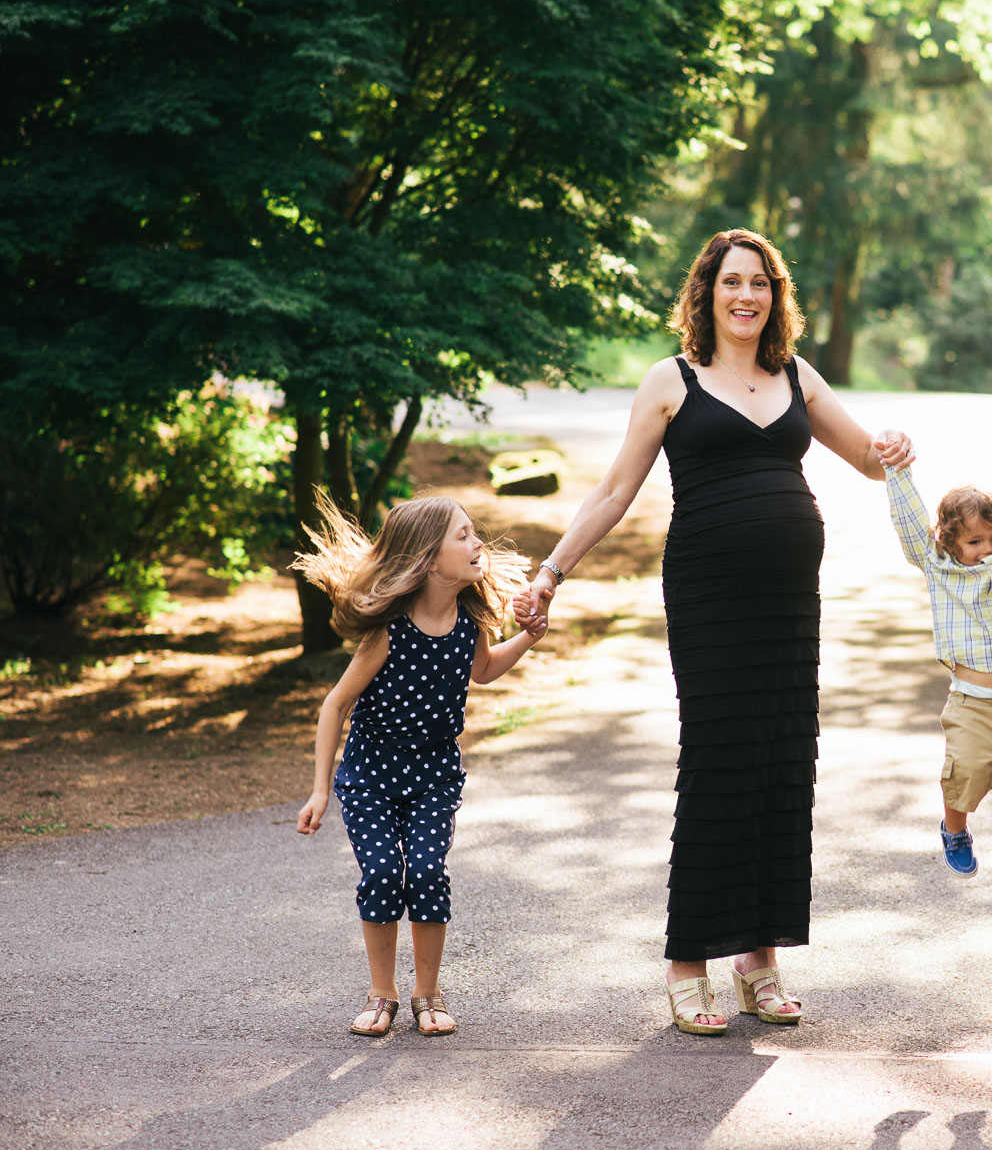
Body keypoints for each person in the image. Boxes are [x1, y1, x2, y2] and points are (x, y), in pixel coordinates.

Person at [514, 228, 912, 1036]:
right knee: (719, 763)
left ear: (776, 295)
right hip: (710, 596)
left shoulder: (796, 374)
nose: (746, 296)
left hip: (790, 605)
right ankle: (688, 960)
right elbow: (615, 490)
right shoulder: (672, 380)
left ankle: (760, 962)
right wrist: (552, 570)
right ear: (707, 292)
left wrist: (894, 447)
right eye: (732, 282)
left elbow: (867, 459)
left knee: (781, 762)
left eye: (760, 283)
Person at [294, 496, 545, 1037]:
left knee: (428, 872)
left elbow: (483, 670)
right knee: (383, 874)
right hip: (370, 775)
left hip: (434, 774)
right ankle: (380, 993)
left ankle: (427, 994)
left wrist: (529, 635)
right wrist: (320, 791)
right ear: (429, 559)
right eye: (464, 536)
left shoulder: (470, 620)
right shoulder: (389, 632)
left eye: (474, 533)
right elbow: (335, 705)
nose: (479, 544)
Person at [884, 441, 992, 884]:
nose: (989, 548)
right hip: (970, 705)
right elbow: (909, 525)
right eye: (975, 541)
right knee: (961, 779)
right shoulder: (939, 568)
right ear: (949, 541)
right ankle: (955, 831)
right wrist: (897, 471)